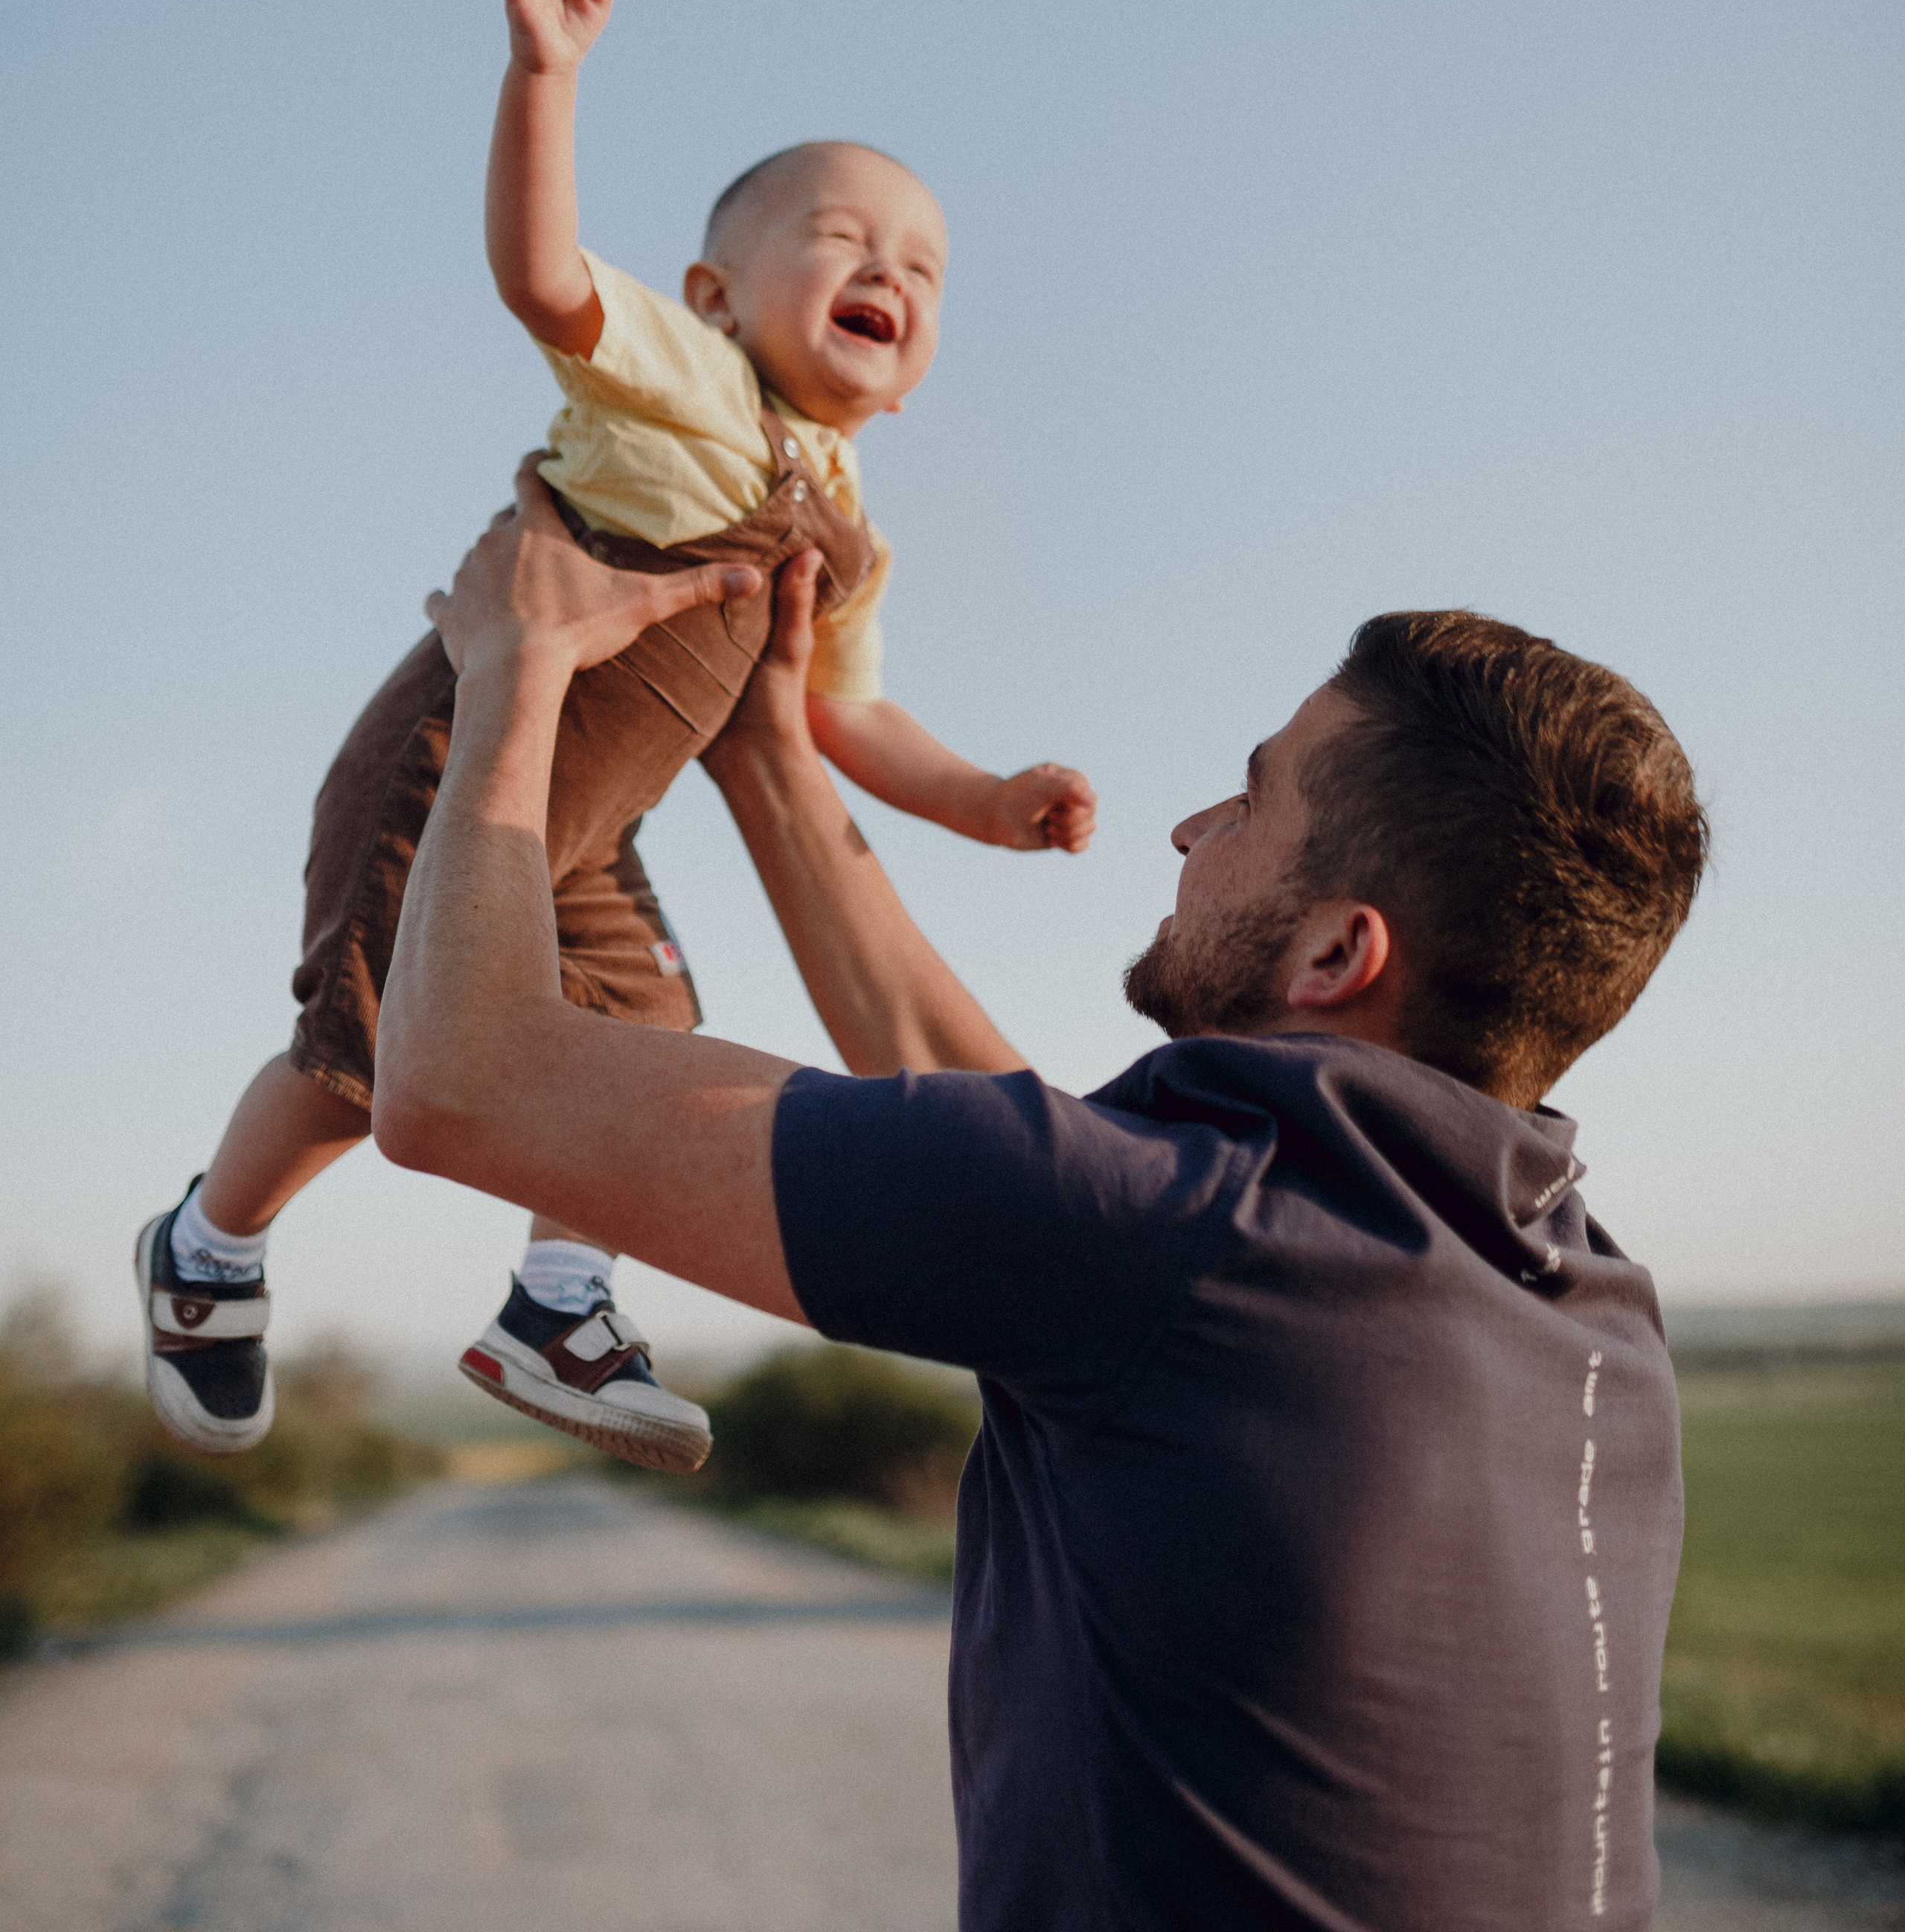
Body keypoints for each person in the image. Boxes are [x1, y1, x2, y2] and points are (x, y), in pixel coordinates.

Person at [371, 461, 1706, 1932]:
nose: (1190, 829)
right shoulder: (1595, 1312)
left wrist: (516, 666)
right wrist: (767, 749)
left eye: (1249, 799)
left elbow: (457, 1080)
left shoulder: (1172, 1242)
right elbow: (1007, 1152)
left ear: (1336, 954)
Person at [136, 0, 1095, 1476]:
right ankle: (208, 1245)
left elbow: (842, 718)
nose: (886, 274)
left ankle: (557, 1305)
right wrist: (546, 76)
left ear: (914, 371)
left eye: (921, 268)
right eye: (841, 239)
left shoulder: (851, 531)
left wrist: (985, 801)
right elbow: (541, 273)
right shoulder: (682, 379)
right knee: (364, 1056)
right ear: (713, 295)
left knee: (638, 1029)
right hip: (452, 767)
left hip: (580, 834)